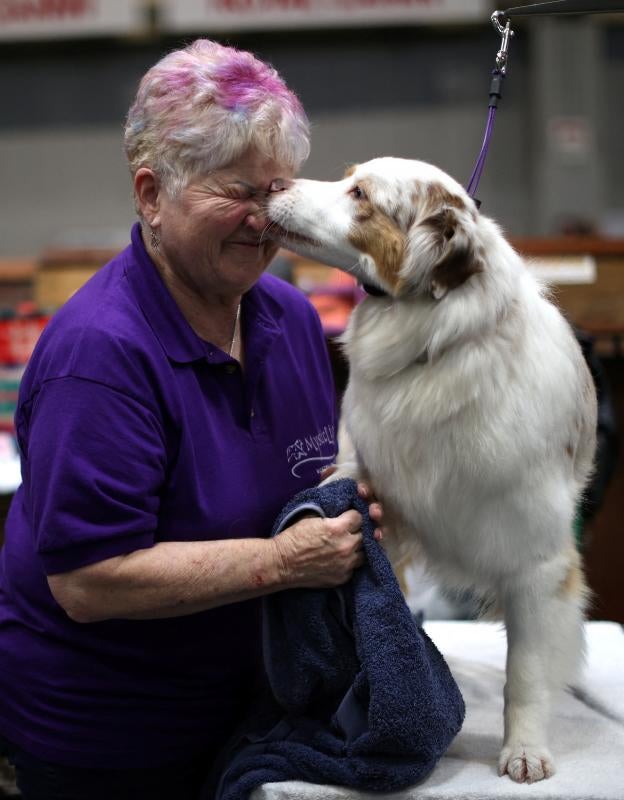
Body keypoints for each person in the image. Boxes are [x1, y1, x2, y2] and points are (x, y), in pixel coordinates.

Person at [0, 40, 383, 800]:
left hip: (253, 713)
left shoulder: (288, 317)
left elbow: (319, 477)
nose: (263, 219)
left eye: (277, 190)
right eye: (237, 191)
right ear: (151, 195)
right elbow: (89, 581)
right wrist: (284, 561)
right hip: (111, 738)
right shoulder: (101, 357)